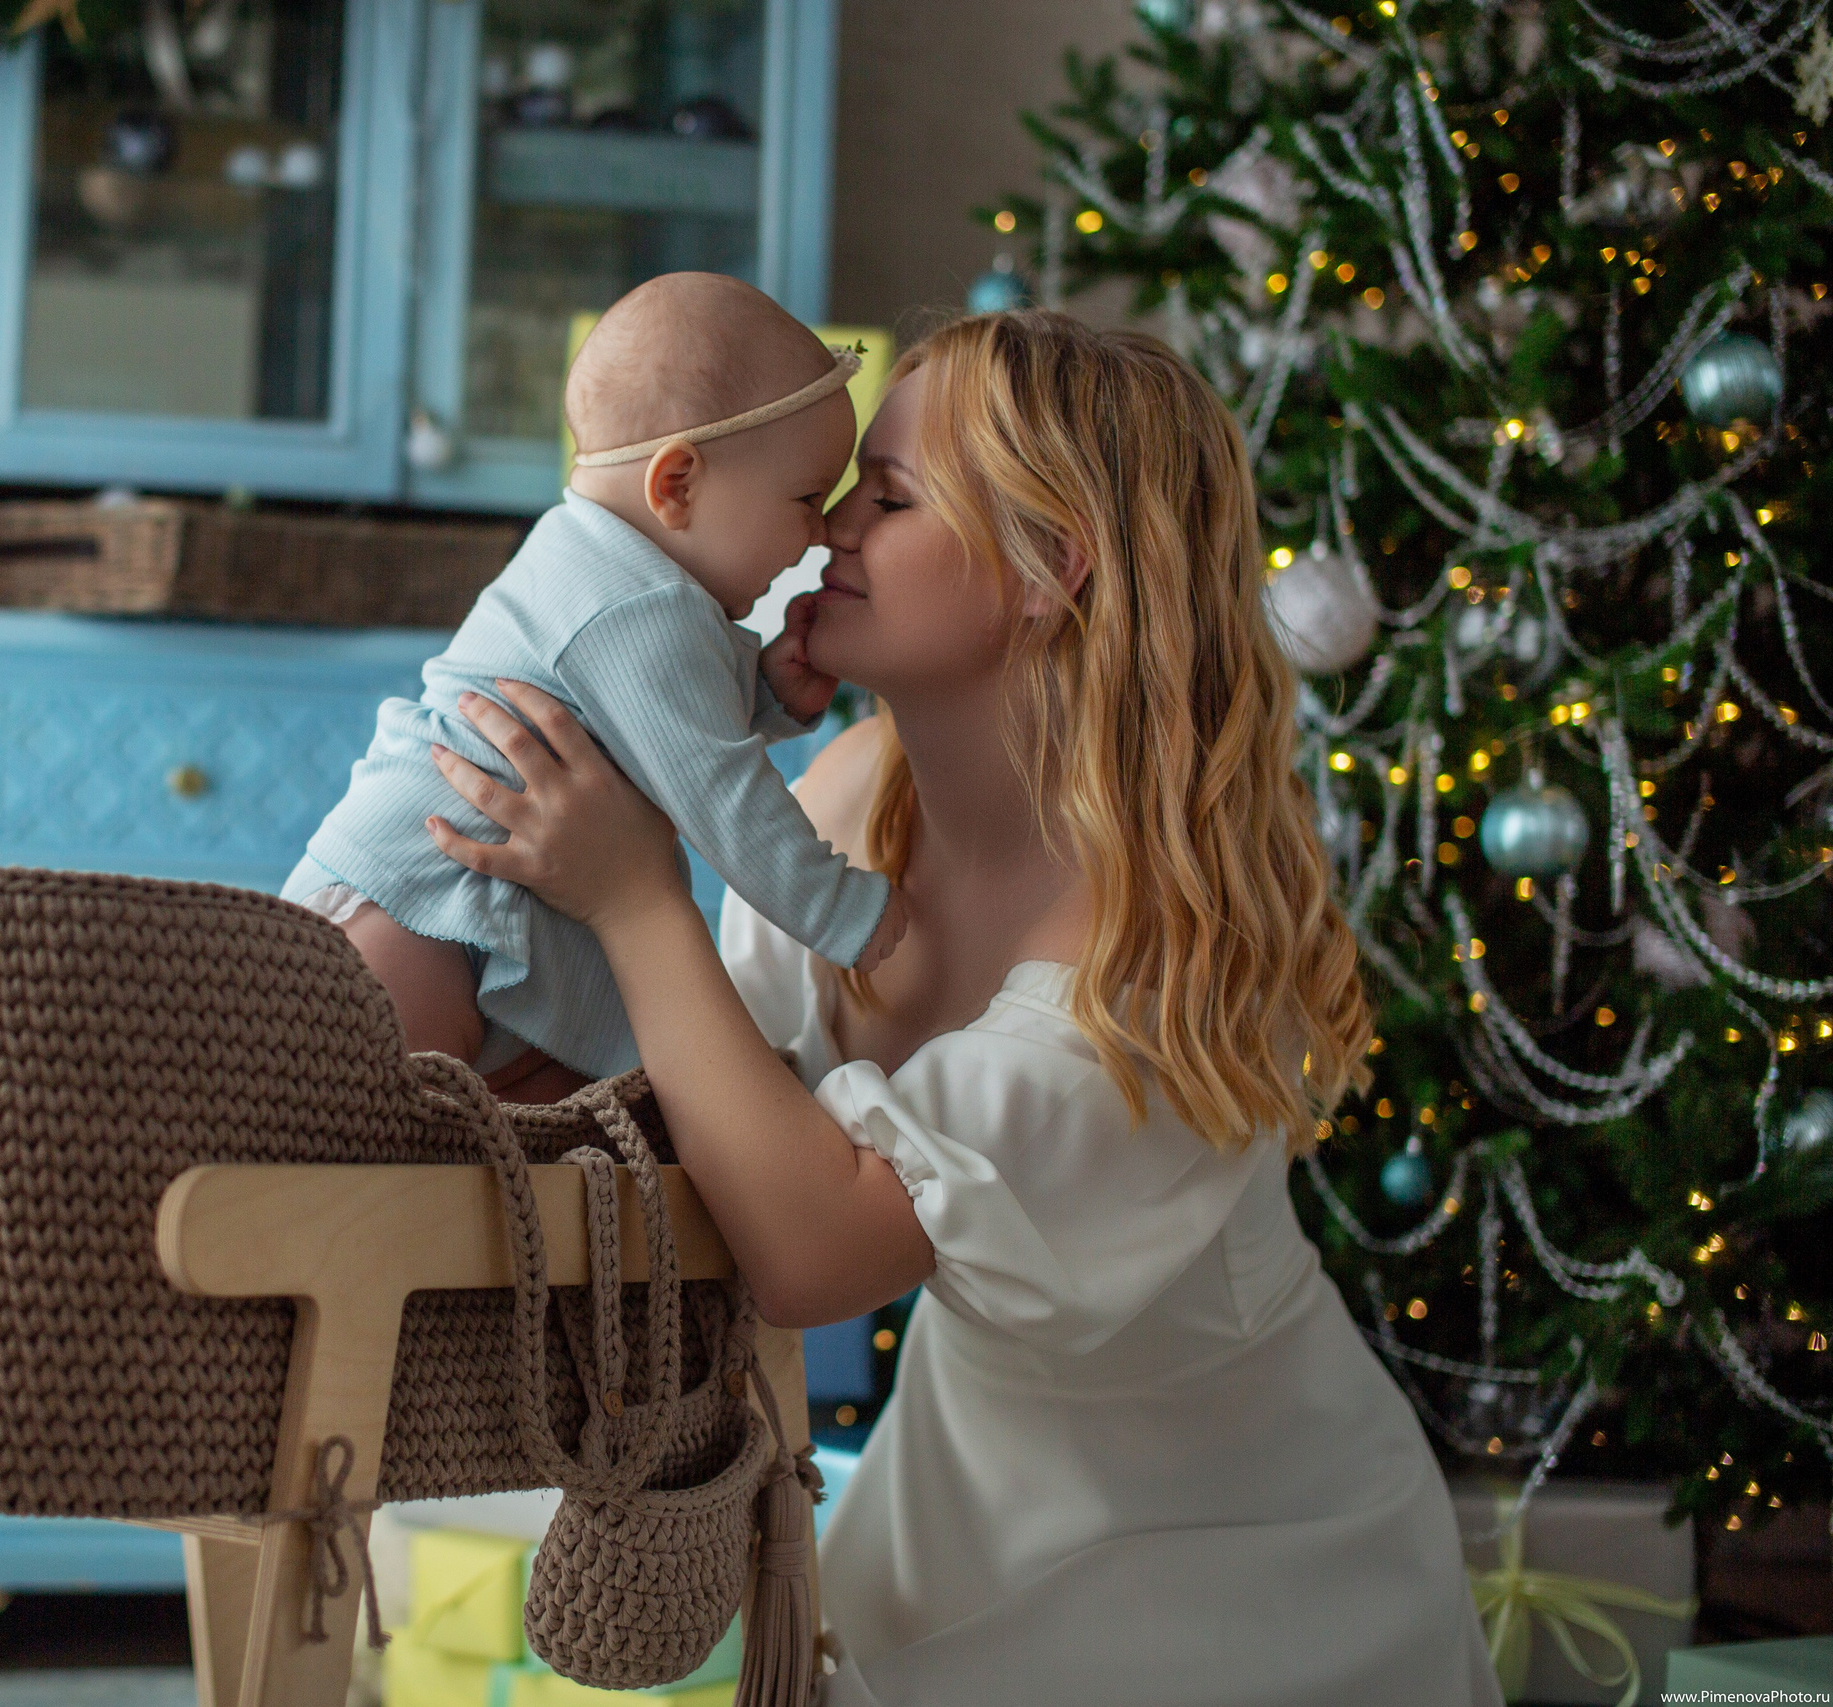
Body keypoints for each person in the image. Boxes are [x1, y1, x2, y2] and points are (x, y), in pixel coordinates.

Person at [421, 312, 1502, 1705]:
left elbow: (814, 1251)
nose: (823, 531)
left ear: (1054, 566)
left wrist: (641, 901)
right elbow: (694, 1112)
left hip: (1239, 1576)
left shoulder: (1154, 960)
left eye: (889, 496)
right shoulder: (845, 804)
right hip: (951, 1526)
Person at [284, 273, 904, 1104]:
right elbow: (721, 795)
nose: (823, 530)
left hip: (464, 909)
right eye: (805, 498)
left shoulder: (620, 574)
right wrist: (847, 915)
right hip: (422, 912)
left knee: (433, 1158)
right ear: (676, 484)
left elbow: (648, 724)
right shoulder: (639, 607)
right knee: (363, 1149)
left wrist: (764, 688)